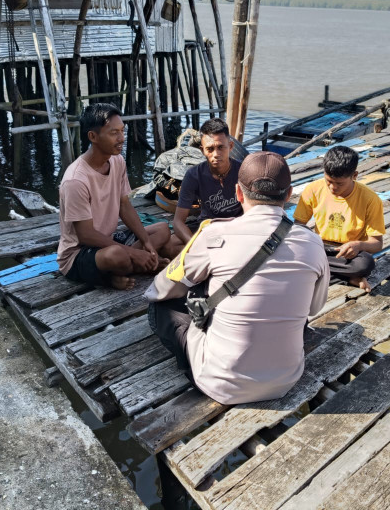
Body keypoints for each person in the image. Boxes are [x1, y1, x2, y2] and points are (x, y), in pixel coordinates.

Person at [145, 151, 330, 405]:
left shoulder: (215, 234)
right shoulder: (312, 243)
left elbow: (161, 289)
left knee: (160, 307)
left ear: (239, 193)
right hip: (286, 379)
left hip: (220, 384)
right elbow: (314, 308)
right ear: (288, 196)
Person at [57, 103, 183, 290]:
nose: (122, 138)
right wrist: (134, 254)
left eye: (122, 131)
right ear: (93, 136)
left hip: (109, 239)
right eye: (113, 133)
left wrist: (147, 244)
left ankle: (126, 268)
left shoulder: (117, 161)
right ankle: (115, 275)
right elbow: (85, 235)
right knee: (117, 255)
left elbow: (124, 205)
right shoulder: (75, 180)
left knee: (162, 230)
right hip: (79, 253)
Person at [293, 145, 385, 293]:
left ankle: (316, 270)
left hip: (349, 254)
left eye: (339, 183)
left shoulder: (370, 199)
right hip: (320, 246)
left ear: (354, 176)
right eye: (328, 181)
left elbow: (377, 244)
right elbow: (298, 226)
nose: (332, 188)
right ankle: (348, 278)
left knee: (365, 264)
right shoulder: (313, 189)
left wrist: (358, 245)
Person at [172, 118, 243, 245]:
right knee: (170, 244)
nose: (216, 154)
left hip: (237, 229)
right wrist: (193, 246)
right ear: (202, 150)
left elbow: (254, 213)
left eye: (221, 147)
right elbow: (178, 222)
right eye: (210, 149)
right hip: (208, 229)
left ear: (231, 146)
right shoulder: (193, 175)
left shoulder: (243, 171)